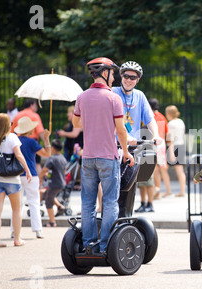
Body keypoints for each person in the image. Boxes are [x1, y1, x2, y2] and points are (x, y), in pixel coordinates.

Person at [73, 57, 134, 253]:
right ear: (105, 73)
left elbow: (76, 125)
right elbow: (121, 130)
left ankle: (88, 243)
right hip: (108, 157)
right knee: (109, 201)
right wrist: (126, 152)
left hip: (88, 158)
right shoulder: (113, 98)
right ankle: (105, 245)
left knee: (88, 202)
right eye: (113, 73)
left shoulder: (82, 97)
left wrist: (92, 121)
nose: (115, 77)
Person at [111, 61, 161, 214]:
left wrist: (156, 135)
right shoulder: (112, 92)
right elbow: (112, 119)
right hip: (114, 147)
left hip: (133, 148)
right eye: (126, 76)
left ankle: (125, 220)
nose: (128, 80)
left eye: (133, 77)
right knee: (114, 188)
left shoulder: (139, 96)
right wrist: (126, 137)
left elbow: (150, 118)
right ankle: (111, 222)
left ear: (137, 80)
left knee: (130, 187)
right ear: (121, 76)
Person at [0, 113, 32, 248]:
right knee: (16, 209)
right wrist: (27, 170)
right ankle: (17, 239)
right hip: (12, 179)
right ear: (7, 125)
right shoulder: (12, 138)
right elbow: (19, 155)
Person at [14, 116, 51, 238]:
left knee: (16, 205)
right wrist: (46, 139)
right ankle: (38, 230)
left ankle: (14, 231)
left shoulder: (15, 140)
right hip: (31, 175)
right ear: (30, 130)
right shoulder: (32, 142)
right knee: (34, 202)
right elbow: (47, 153)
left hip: (16, 174)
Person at [11, 99, 45, 174]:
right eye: (36, 105)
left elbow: (12, 131)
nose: (36, 107)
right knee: (37, 163)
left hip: (19, 141)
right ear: (31, 105)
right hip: (32, 142)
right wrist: (46, 143)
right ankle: (39, 183)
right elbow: (40, 131)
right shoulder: (35, 115)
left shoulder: (18, 115)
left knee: (20, 161)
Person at [38, 139, 67, 227]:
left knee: (48, 201)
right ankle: (60, 207)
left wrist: (40, 176)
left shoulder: (52, 158)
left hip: (54, 183)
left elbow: (44, 169)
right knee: (48, 194)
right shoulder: (63, 158)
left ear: (53, 148)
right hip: (61, 182)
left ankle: (52, 222)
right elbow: (63, 171)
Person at [150, 98, 172, 199]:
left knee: (154, 169)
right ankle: (168, 190)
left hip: (152, 143)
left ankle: (157, 191)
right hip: (162, 143)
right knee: (163, 168)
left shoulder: (149, 116)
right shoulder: (162, 117)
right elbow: (167, 133)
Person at [165, 105, 186, 197]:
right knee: (180, 170)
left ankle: (168, 190)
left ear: (169, 114)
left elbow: (170, 140)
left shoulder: (170, 124)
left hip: (173, 147)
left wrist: (171, 153)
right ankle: (182, 191)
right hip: (181, 145)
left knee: (163, 169)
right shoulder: (181, 122)